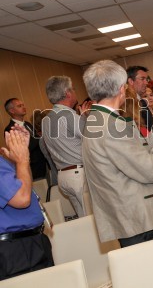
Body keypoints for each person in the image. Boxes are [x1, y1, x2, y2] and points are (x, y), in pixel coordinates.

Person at [82, 60, 153, 247]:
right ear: (122, 89)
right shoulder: (112, 126)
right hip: (144, 220)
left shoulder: (98, 120)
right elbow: (151, 170)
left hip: (135, 218)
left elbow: (136, 154)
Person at [0, 127, 54, 280]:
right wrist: (22, 160)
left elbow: (26, 184)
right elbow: (22, 198)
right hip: (17, 249)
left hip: (26, 243)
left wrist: (24, 158)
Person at [42, 76, 92, 218]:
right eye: (73, 89)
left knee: (83, 218)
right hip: (79, 175)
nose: (75, 92)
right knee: (92, 218)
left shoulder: (46, 120)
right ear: (68, 93)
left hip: (63, 176)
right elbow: (94, 139)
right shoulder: (70, 116)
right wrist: (86, 118)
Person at [4, 98, 47, 181]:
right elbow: (21, 149)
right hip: (32, 170)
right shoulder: (10, 129)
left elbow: (36, 139)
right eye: (19, 106)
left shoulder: (27, 124)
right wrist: (40, 139)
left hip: (43, 165)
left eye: (23, 105)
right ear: (12, 111)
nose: (24, 107)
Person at [126, 66, 153, 132]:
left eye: (146, 79)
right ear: (131, 81)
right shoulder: (128, 103)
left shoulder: (141, 101)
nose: (146, 83)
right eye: (142, 79)